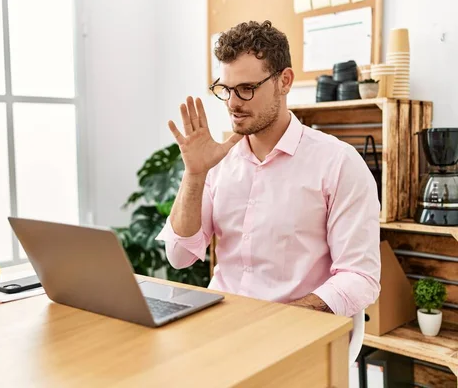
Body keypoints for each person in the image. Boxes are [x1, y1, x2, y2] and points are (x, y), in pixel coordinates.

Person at [155, 20, 381, 317]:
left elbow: (359, 278)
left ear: (284, 81)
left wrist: (276, 320)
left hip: (293, 331)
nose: (233, 104)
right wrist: (195, 175)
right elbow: (179, 256)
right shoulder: (217, 162)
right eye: (226, 89)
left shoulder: (338, 162)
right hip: (221, 323)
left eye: (247, 89)